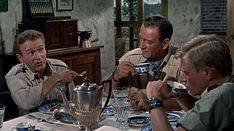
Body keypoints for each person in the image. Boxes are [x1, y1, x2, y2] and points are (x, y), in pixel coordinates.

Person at [146, 34, 234, 131]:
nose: (182, 79)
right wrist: (180, 96)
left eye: (186, 73)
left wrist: (155, 101)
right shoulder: (227, 89)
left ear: (207, 72)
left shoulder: (220, 96)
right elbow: (203, 115)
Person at [111, 15, 181, 110]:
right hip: (134, 118)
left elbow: (191, 102)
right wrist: (116, 76)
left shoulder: (182, 61)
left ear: (164, 44)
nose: (141, 46)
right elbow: (107, 93)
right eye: (141, 39)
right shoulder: (130, 58)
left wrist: (151, 102)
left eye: (148, 42)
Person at [5, 30, 78, 115]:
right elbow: (26, 102)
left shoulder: (60, 68)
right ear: (20, 57)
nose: (38, 57)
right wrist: (56, 78)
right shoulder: (15, 75)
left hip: (61, 120)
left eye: (41, 49)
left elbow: (74, 101)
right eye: (31, 53)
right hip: (32, 124)